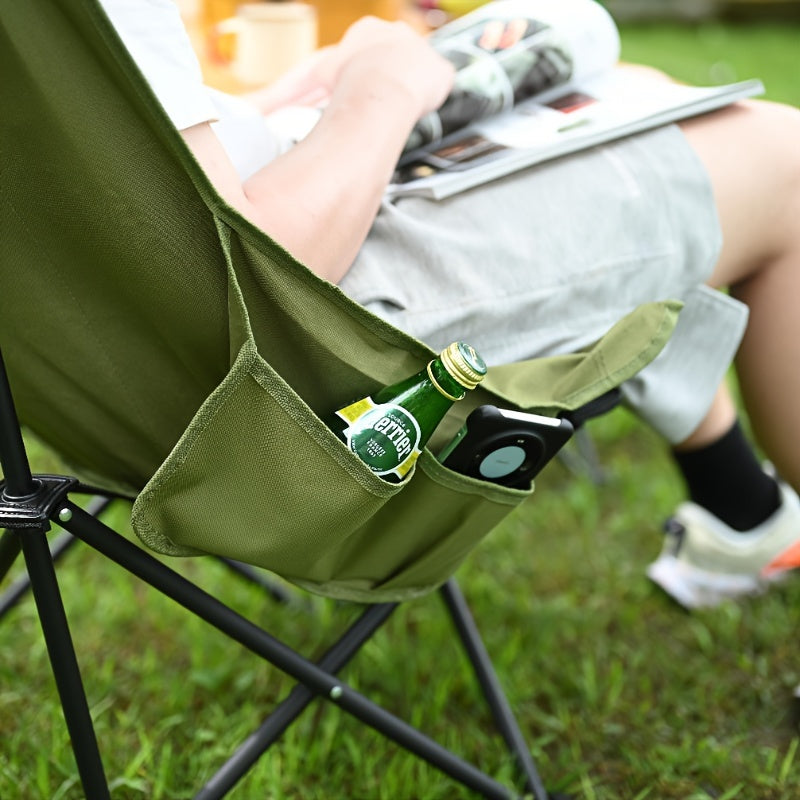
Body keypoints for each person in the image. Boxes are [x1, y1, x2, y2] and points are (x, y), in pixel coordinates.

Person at [99, 0, 800, 609]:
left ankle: (741, 507)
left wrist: (291, 106)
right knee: (783, 160)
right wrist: (381, 91)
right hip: (305, 338)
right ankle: (743, 510)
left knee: (638, 95)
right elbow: (262, 269)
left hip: (119, 346)